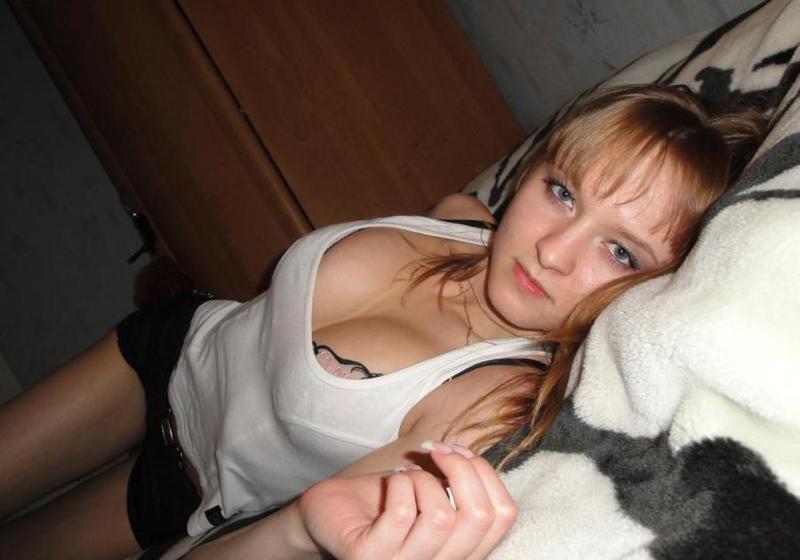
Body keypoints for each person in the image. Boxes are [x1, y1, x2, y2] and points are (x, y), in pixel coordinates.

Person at [0, 85, 764, 559]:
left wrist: (299, 531)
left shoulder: (486, 405)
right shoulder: (462, 218)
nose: (552, 250)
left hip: (180, 486)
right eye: (562, 192)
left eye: (620, 252)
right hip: (167, 346)